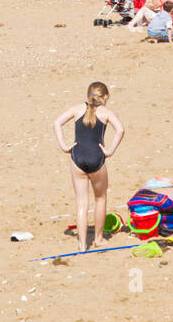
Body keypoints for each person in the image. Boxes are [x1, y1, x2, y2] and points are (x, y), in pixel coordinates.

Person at [52, 82, 125, 252]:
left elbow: (56, 123)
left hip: (77, 158)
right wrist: (110, 151)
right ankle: (98, 239)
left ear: (87, 96)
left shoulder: (77, 109)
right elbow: (120, 130)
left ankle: (82, 244)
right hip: (96, 158)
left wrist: (64, 146)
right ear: (105, 97)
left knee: (81, 203)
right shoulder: (106, 112)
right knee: (100, 198)